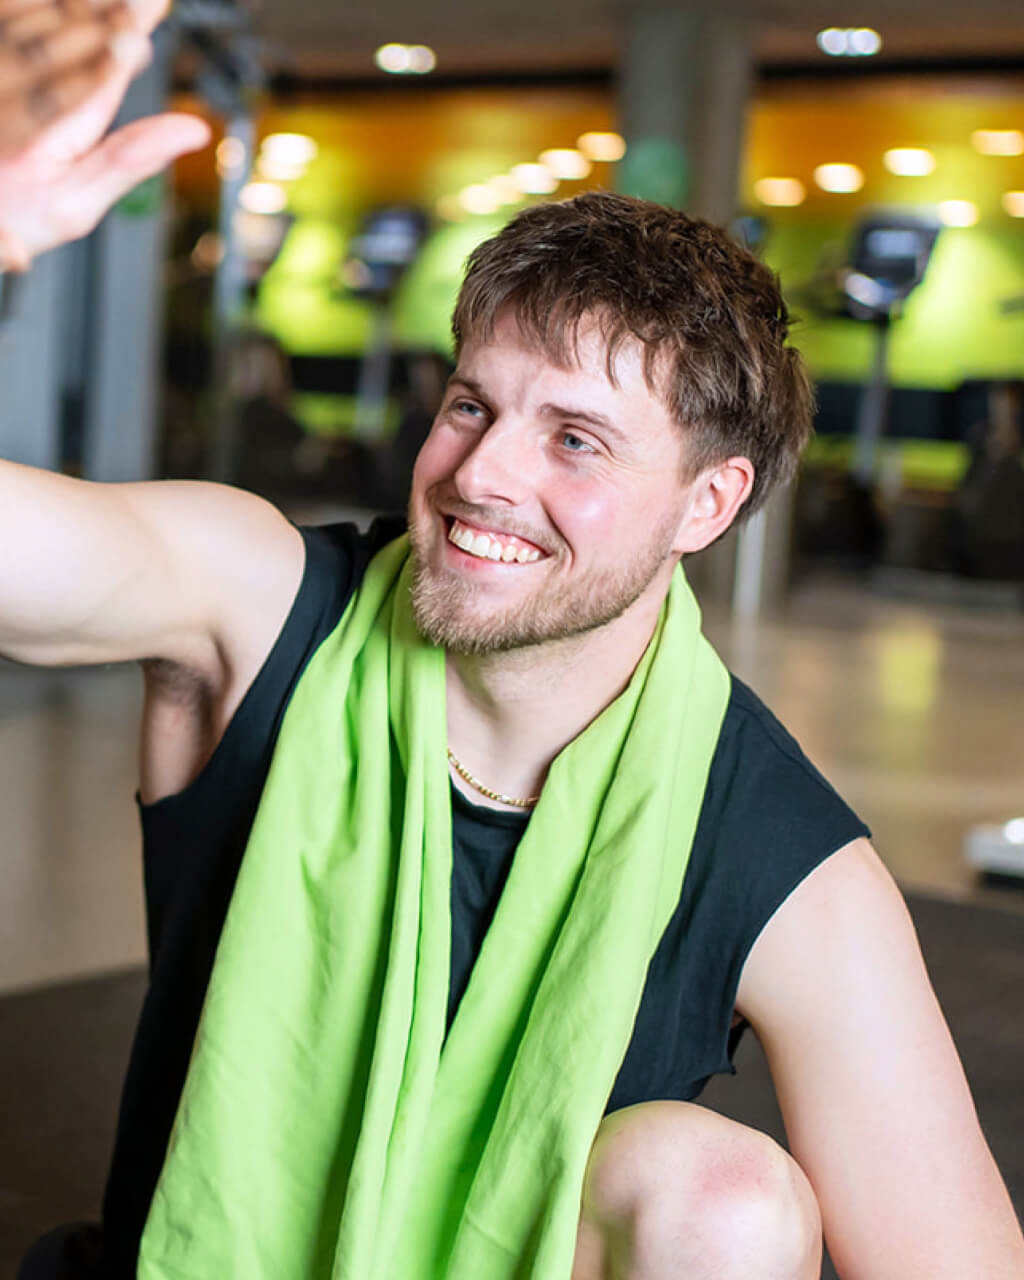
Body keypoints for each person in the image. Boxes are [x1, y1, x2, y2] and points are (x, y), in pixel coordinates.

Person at [4, 13, 1024, 1280]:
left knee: (720, 1194)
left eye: (576, 439)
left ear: (706, 504)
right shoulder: (258, 605)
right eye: (473, 403)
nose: (481, 473)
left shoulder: (779, 854)